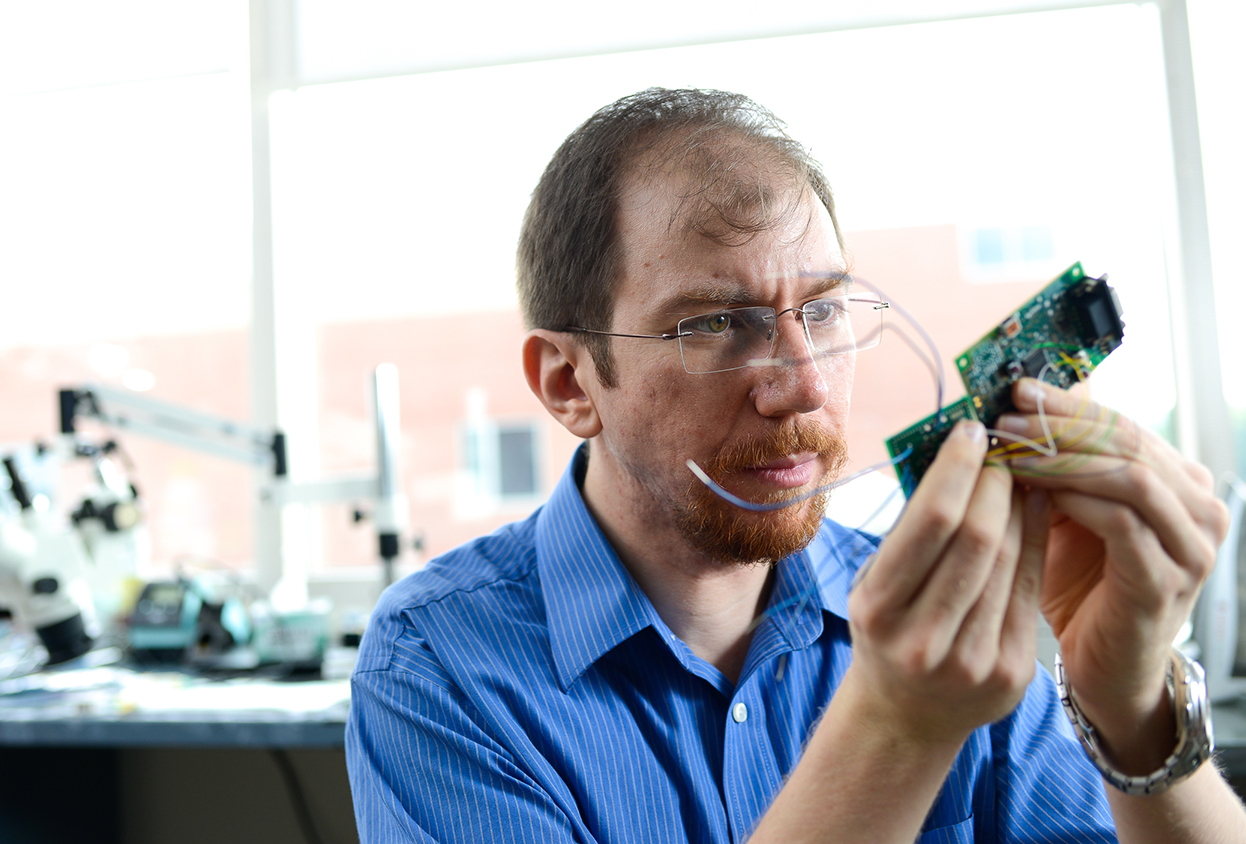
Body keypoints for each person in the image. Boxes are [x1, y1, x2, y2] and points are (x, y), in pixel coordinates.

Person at [345, 87, 1245, 843]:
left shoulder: (935, 630)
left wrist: (1129, 701)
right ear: (569, 383)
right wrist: (893, 729)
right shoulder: (437, 666)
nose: (804, 387)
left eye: (821, 312)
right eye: (714, 325)